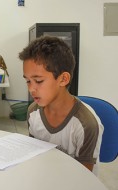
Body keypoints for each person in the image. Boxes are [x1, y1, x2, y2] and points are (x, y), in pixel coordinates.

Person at [19, 36, 103, 172]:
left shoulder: (86, 124)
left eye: (39, 81)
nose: (31, 89)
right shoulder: (33, 112)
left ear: (63, 79)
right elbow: (34, 154)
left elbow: (83, 177)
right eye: (28, 81)